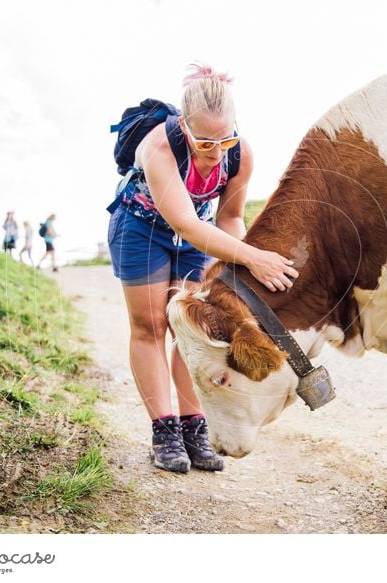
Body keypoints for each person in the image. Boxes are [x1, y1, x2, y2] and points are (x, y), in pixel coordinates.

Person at [107, 64, 299, 474]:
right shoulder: (160, 147)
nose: (215, 150)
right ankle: (164, 430)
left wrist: (245, 262)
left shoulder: (240, 154)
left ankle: (194, 425)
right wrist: (253, 258)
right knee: (152, 325)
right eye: (204, 141)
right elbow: (185, 223)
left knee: (195, 327)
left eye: (225, 138)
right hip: (141, 227)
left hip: (199, 232)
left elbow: (228, 218)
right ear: (183, 125)